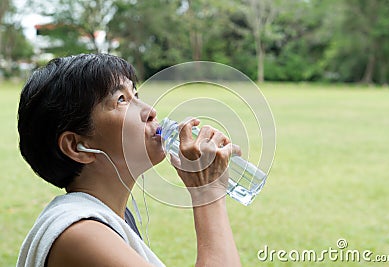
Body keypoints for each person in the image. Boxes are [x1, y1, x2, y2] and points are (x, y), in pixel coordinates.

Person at [16, 53, 242, 267]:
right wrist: (207, 193)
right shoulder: (80, 233)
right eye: (121, 99)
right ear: (77, 147)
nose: (151, 111)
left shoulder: (115, 219)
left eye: (136, 95)